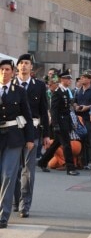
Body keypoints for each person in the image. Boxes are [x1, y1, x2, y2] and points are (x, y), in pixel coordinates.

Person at [13, 53, 51, 218]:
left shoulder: (39, 86)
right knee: (12, 169)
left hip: (33, 131)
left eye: (27, 63)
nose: (23, 66)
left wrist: (46, 135)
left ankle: (25, 204)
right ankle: (15, 199)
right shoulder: (10, 84)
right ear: (17, 67)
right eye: (21, 63)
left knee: (28, 171)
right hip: (13, 132)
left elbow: (44, 110)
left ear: (31, 67)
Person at [0, 59, 34, 228]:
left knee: (8, 175)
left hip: (13, 138)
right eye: (1, 69)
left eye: (7, 69)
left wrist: (29, 139)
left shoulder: (19, 91)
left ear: (12, 72)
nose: (4, 72)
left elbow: (27, 115)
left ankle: (3, 215)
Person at [38, 69, 79, 176]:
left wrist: (70, 123)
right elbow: (54, 110)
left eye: (70, 78)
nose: (70, 80)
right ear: (62, 79)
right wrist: (55, 124)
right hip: (60, 122)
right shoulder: (57, 92)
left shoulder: (65, 91)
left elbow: (67, 110)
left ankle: (42, 162)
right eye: (67, 78)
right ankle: (70, 167)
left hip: (65, 121)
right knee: (66, 145)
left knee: (56, 144)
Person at [74, 69, 91, 168]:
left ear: (89, 80)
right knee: (80, 139)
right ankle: (82, 161)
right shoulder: (78, 91)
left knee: (90, 140)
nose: (81, 79)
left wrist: (87, 107)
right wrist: (76, 106)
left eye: (84, 78)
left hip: (88, 118)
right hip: (78, 118)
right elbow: (74, 101)